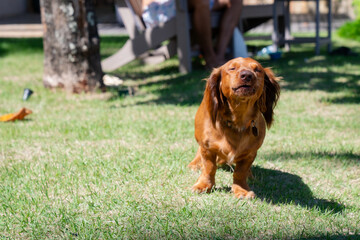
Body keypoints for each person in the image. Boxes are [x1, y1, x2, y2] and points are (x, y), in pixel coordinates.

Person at [142, 0, 243, 69]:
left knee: (235, 1)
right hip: (158, 7)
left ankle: (220, 56)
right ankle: (210, 57)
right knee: (202, 1)